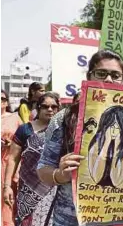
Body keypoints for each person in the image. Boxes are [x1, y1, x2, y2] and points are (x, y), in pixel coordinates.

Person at [36, 50, 123, 226]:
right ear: (89, 77)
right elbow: (43, 170)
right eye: (101, 73)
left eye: (116, 75)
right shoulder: (65, 118)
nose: (108, 80)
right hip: (70, 220)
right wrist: (61, 175)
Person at [3, 92, 60, 226]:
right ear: (38, 108)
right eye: (45, 106)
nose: (50, 109)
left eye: (54, 106)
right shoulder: (25, 129)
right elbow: (12, 159)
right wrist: (7, 187)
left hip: (54, 188)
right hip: (27, 189)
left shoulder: (62, 131)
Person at [1, 90, 22, 226]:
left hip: (8, 164)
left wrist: (10, 142)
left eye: (2, 99)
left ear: (6, 102)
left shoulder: (14, 118)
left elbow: (23, 140)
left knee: (7, 199)